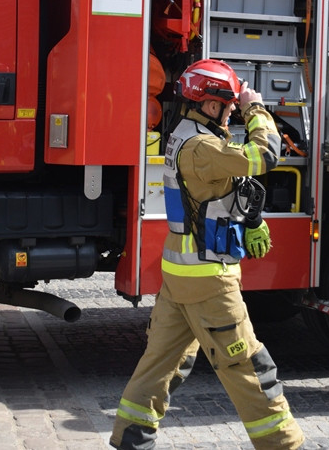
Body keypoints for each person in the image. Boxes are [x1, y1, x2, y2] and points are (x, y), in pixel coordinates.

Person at [110, 59, 305, 450]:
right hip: (208, 280)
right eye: (229, 103)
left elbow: (218, 193)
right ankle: (283, 445)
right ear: (210, 104)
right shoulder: (202, 146)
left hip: (181, 277)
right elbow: (265, 155)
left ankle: (131, 437)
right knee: (249, 366)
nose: (233, 109)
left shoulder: (187, 136)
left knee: (160, 363)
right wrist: (256, 107)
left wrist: (249, 220)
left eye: (236, 104)